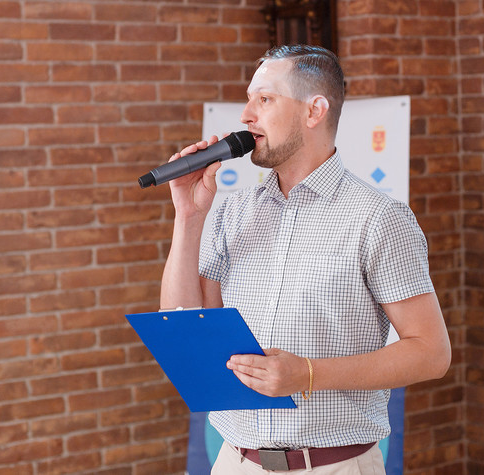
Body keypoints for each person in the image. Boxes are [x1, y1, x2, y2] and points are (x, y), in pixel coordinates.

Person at [159, 44, 451, 474]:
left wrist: (309, 374)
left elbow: (431, 353)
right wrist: (188, 216)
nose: (246, 115)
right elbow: (185, 325)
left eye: (265, 99)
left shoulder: (378, 218)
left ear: (314, 111)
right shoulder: (232, 212)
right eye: (249, 99)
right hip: (234, 461)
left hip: (333, 466)